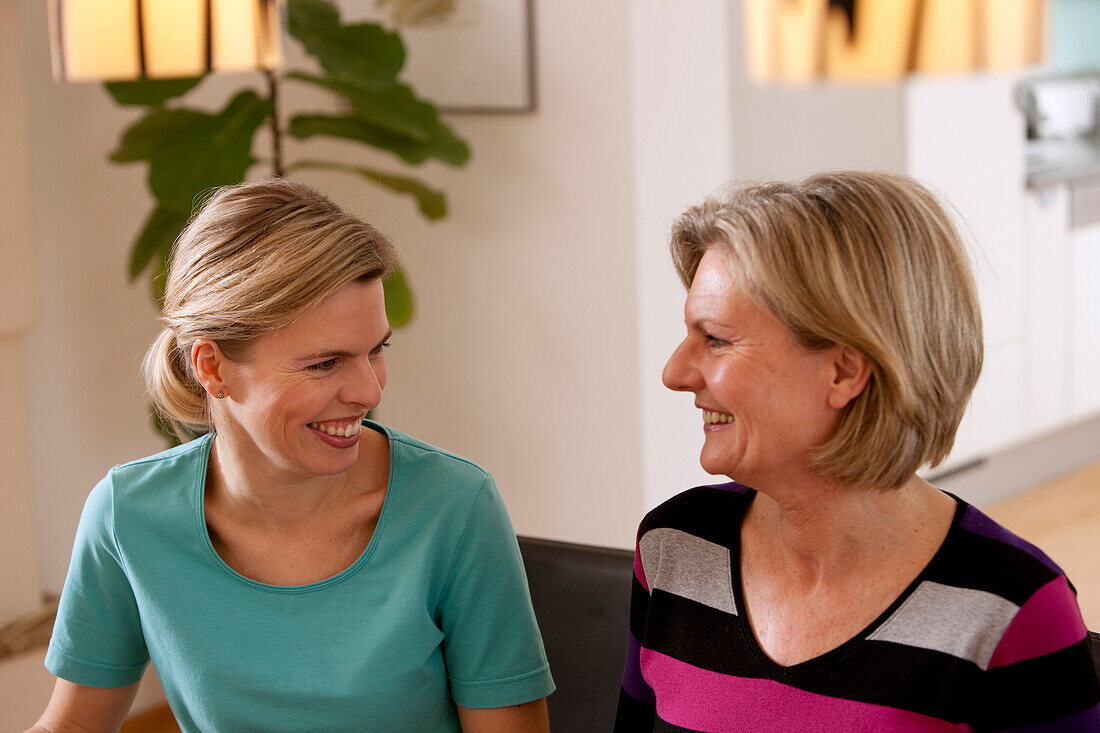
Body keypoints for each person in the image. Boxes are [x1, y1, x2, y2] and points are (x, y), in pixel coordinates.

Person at [31, 178, 553, 732]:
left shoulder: (453, 507)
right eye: (324, 364)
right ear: (212, 368)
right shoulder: (128, 515)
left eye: (376, 350)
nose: (369, 392)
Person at [615, 171, 1100, 731]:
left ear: (844, 370)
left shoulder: (1009, 611)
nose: (675, 373)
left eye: (717, 338)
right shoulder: (676, 549)